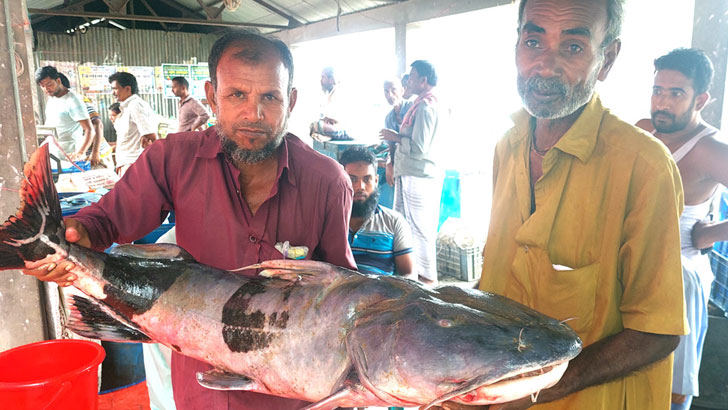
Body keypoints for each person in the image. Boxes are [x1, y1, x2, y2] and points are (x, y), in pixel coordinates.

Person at [23, 29, 356, 410]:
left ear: (291, 100)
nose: (254, 113)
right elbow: (105, 221)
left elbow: (342, 292)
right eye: (237, 95)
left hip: (290, 392)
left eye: (270, 97)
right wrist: (73, 235)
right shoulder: (173, 159)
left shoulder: (327, 181)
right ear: (212, 97)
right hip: (200, 388)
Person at [438, 1, 688, 410]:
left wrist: (531, 391)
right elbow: (500, 282)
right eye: (533, 41)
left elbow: (657, 333)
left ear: (606, 59)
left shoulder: (644, 166)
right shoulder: (508, 146)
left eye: (572, 48)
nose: (545, 66)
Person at [635, 47, 728, 410]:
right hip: (633, 264)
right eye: (658, 90)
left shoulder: (710, 150)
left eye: (676, 93)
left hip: (679, 275)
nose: (662, 102)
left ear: (700, 98)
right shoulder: (644, 130)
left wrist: (710, 235)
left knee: (672, 385)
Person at [380, 60, 444, 286]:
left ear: (423, 80)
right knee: (404, 222)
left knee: (420, 227)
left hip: (419, 174)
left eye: (413, 76)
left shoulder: (426, 106)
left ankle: (427, 279)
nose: (409, 79)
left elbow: (419, 147)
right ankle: (410, 273)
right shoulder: (418, 104)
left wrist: (395, 137)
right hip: (408, 172)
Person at [340, 147, 415, 278]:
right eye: (352, 179)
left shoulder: (394, 222)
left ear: (375, 180)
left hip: (383, 296)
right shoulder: (328, 220)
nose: (360, 187)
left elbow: (408, 274)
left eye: (367, 179)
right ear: (340, 180)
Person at [35, 66, 96, 162]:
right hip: (55, 153)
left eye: (49, 84)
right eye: (42, 86)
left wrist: (80, 152)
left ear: (58, 81)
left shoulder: (73, 100)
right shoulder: (52, 99)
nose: (46, 89)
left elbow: (90, 130)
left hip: (71, 154)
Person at [57, 73, 115, 169]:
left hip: (97, 156)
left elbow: (97, 124)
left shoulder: (78, 100)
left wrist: (95, 152)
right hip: (82, 158)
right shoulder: (58, 103)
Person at [108, 71, 158, 176]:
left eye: (115, 89)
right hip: (127, 163)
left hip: (134, 165)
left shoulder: (135, 105)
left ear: (127, 89)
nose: (113, 93)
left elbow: (151, 136)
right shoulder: (126, 107)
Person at [381, 75, 413, 187]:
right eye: (386, 91)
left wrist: (393, 136)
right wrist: (390, 163)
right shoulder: (389, 118)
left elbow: (416, 143)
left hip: (414, 163)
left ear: (402, 90)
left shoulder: (412, 109)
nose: (389, 95)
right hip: (400, 162)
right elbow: (391, 146)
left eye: (393, 90)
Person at [310, 66, 352, 140]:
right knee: (314, 126)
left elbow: (338, 120)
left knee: (319, 125)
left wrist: (327, 120)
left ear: (331, 80)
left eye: (323, 77)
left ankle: (336, 135)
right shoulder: (328, 95)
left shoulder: (340, 93)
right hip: (332, 127)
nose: (321, 80)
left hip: (343, 129)